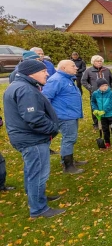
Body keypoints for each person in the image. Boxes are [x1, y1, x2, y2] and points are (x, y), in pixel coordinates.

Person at [2, 59, 65, 218]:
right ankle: (38, 208)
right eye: (43, 71)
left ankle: (37, 197)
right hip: (32, 139)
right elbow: (34, 118)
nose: (47, 73)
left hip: (25, 137)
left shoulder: (19, 86)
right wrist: (53, 128)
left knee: (31, 170)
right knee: (38, 173)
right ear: (32, 72)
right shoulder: (25, 90)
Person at [42, 60, 87, 174]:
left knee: (70, 138)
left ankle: (69, 160)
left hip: (70, 114)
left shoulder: (67, 78)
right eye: (72, 66)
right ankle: (68, 166)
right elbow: (46, 98)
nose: (76, 68)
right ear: (63, 68)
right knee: (69, 138)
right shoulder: (56, 80)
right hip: (64, 116)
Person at [82, 55, 112, 130]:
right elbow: (83, 81)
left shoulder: (106, 70)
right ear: (93, 62)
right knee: (95, 107)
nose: (99, 63)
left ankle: (108, 121)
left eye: (100, 61)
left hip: (107, 94)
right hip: (95, 94)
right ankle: (96, 123)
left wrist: (110, 88)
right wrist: (91, 88)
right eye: (97, 61)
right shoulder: (88, 71)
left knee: (107, 106)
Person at [91, 79, 112, 149]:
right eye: (102, 86)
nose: (105, 87)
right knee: (105, 129)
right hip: (102, 116)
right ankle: (107, 142)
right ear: (98, 87)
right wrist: (95, 109)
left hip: (111, 114)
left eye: (106, 85)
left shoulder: (111, 93)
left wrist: (105, 111)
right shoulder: (95, 94)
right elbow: (93, 102)